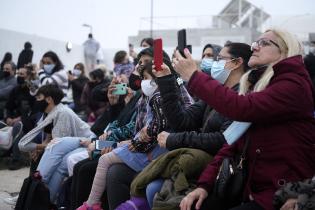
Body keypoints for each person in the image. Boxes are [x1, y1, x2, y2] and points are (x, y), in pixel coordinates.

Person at [173, 29, 315, 210]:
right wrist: (204, 185)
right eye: (256, 42)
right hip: (250, 186)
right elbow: (232, 142)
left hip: (282, 192)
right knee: (194, 204)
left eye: (264, 43)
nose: (255, 47)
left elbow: (240, 108)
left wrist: (194, 76)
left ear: (285, 52)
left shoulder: (292, 84)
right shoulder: (258, 85)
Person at [18, 84, 93, 153]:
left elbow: (60, 144)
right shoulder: (48, 113)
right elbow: (49, 138)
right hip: (70, 146)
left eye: (39, 98)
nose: (37, 101)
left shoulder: (62, 112)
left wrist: (42, 148)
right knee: (39, 156)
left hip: (87, 144)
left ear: (49, 99)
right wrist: (40, 148)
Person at [4, 65, 37, 170]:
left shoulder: (33, 91)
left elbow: (34, 111)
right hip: (13, 119)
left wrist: (19, 119)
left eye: (22, 74)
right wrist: (8, 117)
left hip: (28, 121)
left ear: (28, 77)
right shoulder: (15, 90)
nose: (19, 76)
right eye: (18, 74)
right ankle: (6, 151)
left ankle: (16, 159)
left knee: (18, 126)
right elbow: (8, 107)